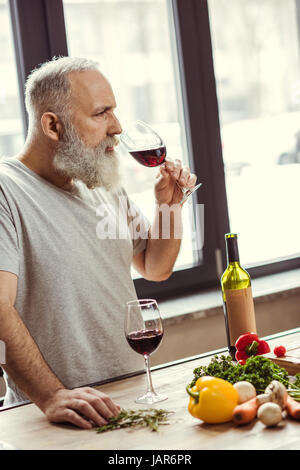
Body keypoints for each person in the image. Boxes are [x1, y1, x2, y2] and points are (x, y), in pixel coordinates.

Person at [0, 57, 197, 429]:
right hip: (57, 416)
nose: (118, 128)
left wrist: (168, 207)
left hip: (130, 397)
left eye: (115, 111)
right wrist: (52, 396)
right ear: (53, 125)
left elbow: (155, 267)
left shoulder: (100, 180)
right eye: (101, 113)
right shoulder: (5, 190)